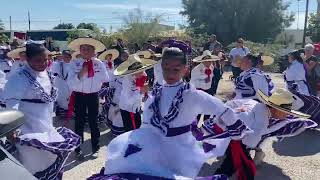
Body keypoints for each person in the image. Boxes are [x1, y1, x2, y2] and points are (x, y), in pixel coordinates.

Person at [88, 47, 251, 179]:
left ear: (185, 70)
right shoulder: (156, 93)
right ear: (161, 67)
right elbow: (147, 121)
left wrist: (236, 131)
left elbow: (223, 110)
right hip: (152, 145)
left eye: (176, 69)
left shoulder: (192, 95)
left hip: (179, 149)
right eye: (166, 68)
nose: (170, 73)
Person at [195, 89, 316, 180]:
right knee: (233, 166)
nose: (286, 115)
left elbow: (231, 104)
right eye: (284, 111)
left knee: (236, 163)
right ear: (274, 108)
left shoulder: (253, 103)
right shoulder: (261, 122)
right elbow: (250, 142)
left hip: (225, 127)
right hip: (234, 137)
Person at [2, 40, 80, 179]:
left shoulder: (47, 74)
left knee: (51, 159)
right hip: (28, 130)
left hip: (46, 126)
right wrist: (12, 129)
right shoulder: (19, 78)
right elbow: (12, 105)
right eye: (38, 60)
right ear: (27, 59)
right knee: (34, 164)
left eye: (46, 59)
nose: (43, 63)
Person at [67, 37, 109, 158]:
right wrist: (81, 73)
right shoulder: (75, 63)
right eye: (83, 49)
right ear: (80, 50)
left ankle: (95, 148)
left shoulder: (99, 63)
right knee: (79, 122)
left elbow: (106, 79)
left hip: (93, 96)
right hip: (79, 96)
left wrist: (96, 72)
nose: (85, 51)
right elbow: (70, 83)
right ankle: (78, 149)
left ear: (94, 51)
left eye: (88, 49)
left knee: (93, 122)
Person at [115, 54, 156, 132]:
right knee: (131, 132)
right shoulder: (127, 81)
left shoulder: (143, 75)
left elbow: (142, 88)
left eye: (142, 70)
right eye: (138, 71)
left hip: (136, 107)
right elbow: (129, 100)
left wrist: (143, 91)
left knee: (138, 128)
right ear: (131, 72)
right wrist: (141, 91)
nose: (142, 73)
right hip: (128, 109)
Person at [50, 50, 73, 115]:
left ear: (70, 57)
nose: (66, 58)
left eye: (67, 56)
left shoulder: (73, 65)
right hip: (60, 84)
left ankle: (69, 111)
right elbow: (52, 72)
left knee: (69, 98)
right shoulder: (58, 64)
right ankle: (60, 111)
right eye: (64, 56)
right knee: (60, 98)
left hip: (70, 84)